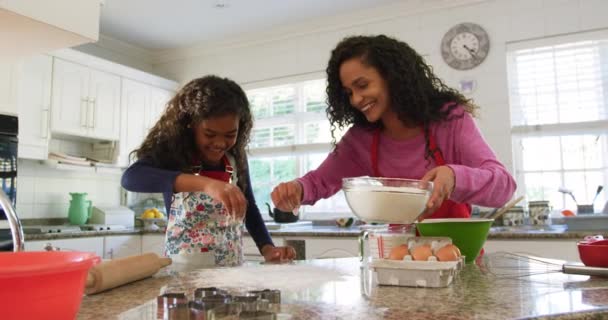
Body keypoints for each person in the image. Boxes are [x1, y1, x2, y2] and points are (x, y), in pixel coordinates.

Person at [271, 35, 516, 220]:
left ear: (391, 77)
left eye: (363, 85)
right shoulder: (361, 139)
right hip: (397, 255)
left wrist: (453, 176)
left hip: (457, 260)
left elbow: (504, 187)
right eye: (349, 92)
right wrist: (296, 189)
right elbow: (320, 181)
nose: (356, 99)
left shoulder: (449, 120)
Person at [122, 75, 296, 267]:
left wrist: (268, 248)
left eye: (231, 134)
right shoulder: (173, 153)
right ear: (190, 125)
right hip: (184, 271)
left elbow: (249, 208)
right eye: (209, 134)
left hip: (231, 268)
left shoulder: (235, 157)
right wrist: (207, 184)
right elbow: (130, 178)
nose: (220, 143)